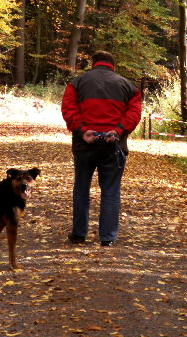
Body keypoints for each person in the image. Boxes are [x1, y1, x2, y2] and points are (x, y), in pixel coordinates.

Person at [61, 50, 142, 246]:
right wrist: (118, 130)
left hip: (84, 144)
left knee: (81, 188)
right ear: (112, 65)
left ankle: (79, 235)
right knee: (111, 191)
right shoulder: (128, 86)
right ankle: (107, 238)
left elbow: (68, 109)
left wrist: (82, 130)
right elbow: (135, 114)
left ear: (93, 63)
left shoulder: (77, 83)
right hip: (114, 145)